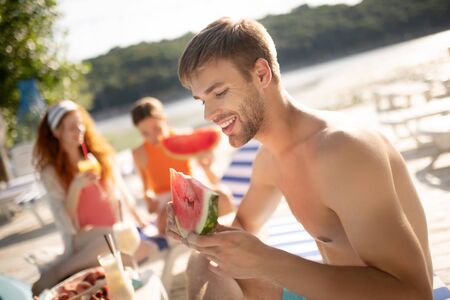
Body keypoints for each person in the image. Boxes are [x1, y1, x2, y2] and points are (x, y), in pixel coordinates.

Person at [166, 17, 433, 300]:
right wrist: (199, 231)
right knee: (203, 262)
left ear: (261, 74)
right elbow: (244, 225)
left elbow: (415, 293)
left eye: (219, 93)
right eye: (202, 100)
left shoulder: (342, 152)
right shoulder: (270, 159)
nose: (208, 115)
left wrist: (267, 261)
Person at [32, 100, 151, 295]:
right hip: (82, 238)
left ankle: (62, 270)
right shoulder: (51, 173)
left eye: (80, 124)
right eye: (71, 127)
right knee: (115, 240)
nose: (79, 130)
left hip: (110, 232)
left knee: (131, 249)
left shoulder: (96, 156)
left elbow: (120, 191)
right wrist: (76, 187)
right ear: (56, 133)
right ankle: (58, 272)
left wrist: (139, 219)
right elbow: (67, 223)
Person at [131, 97, 234, 239]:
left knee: (223, 195)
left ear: (164, 120)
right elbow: (146, 191)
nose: (153, 137)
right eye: (145, 133)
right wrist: (148, 197)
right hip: (165, 202)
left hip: (191, 192)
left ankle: (233, 236)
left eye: (157, 128)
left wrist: (207, 166)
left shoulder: (183, 136)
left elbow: (214, 180)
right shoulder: (139, 153)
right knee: (166, 214)